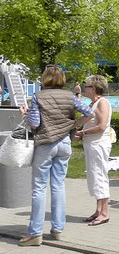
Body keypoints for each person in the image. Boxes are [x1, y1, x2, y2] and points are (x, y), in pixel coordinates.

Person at [17, 65, 93, 246]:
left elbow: (34, 123)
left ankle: (35, 233)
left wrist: (25, 115)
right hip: (64, 145)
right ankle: (58, 230)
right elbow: (89, 113)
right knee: (58, 186)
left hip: (45, 145)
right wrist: (74, 124)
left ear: (45, 79)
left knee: (39, 189)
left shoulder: (38, 96)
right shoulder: (70, 96)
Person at [73, 75, 112, 226]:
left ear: (94, 88)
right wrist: (72, 128)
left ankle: (104, 213)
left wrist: (83, 133)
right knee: (94, 176)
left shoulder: (102, 103)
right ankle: (98, 210)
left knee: (100, 175)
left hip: (99, 144)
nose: (84, 88)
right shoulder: (93, 104)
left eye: (87, 86)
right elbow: (84, 119)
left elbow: (102, 126)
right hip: (92, 144)